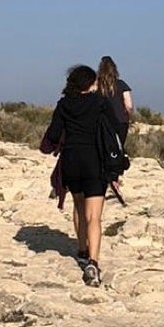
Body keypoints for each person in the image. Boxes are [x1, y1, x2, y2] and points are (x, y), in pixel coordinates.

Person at [42, 64, 122, 287]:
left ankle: (81, 249)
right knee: (94, 216)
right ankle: (93, 262)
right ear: (90, 83)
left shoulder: (63, 104)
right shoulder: (100, 103)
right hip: (94, 162)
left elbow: (54, 134)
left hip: (71, 161)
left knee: (78, 206)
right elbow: (114, 128)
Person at [97, 56, 133, 146]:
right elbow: (129, 106)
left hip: (102, 122)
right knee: (118, 148)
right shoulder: (121, 84)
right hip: (120, 120)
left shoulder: (97, 85)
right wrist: (129, 117)